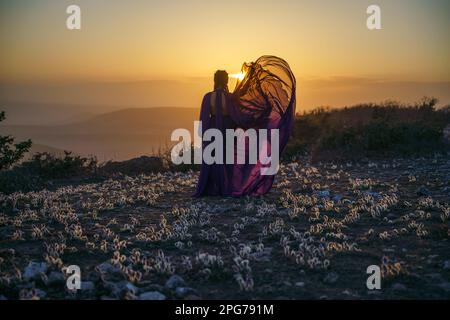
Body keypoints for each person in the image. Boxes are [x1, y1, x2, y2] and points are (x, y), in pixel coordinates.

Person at [194, 56, 296, 197]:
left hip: (212, 130)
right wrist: (260, 116)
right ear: (226, 81)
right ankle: (226, 188)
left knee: (212, 159)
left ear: (214, 81)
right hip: (228, 130)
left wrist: (203, 135)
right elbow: (238, 116)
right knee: (227, 160)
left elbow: (204, 119)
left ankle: (211, 188)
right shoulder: (230, 98)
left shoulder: (207, 97)